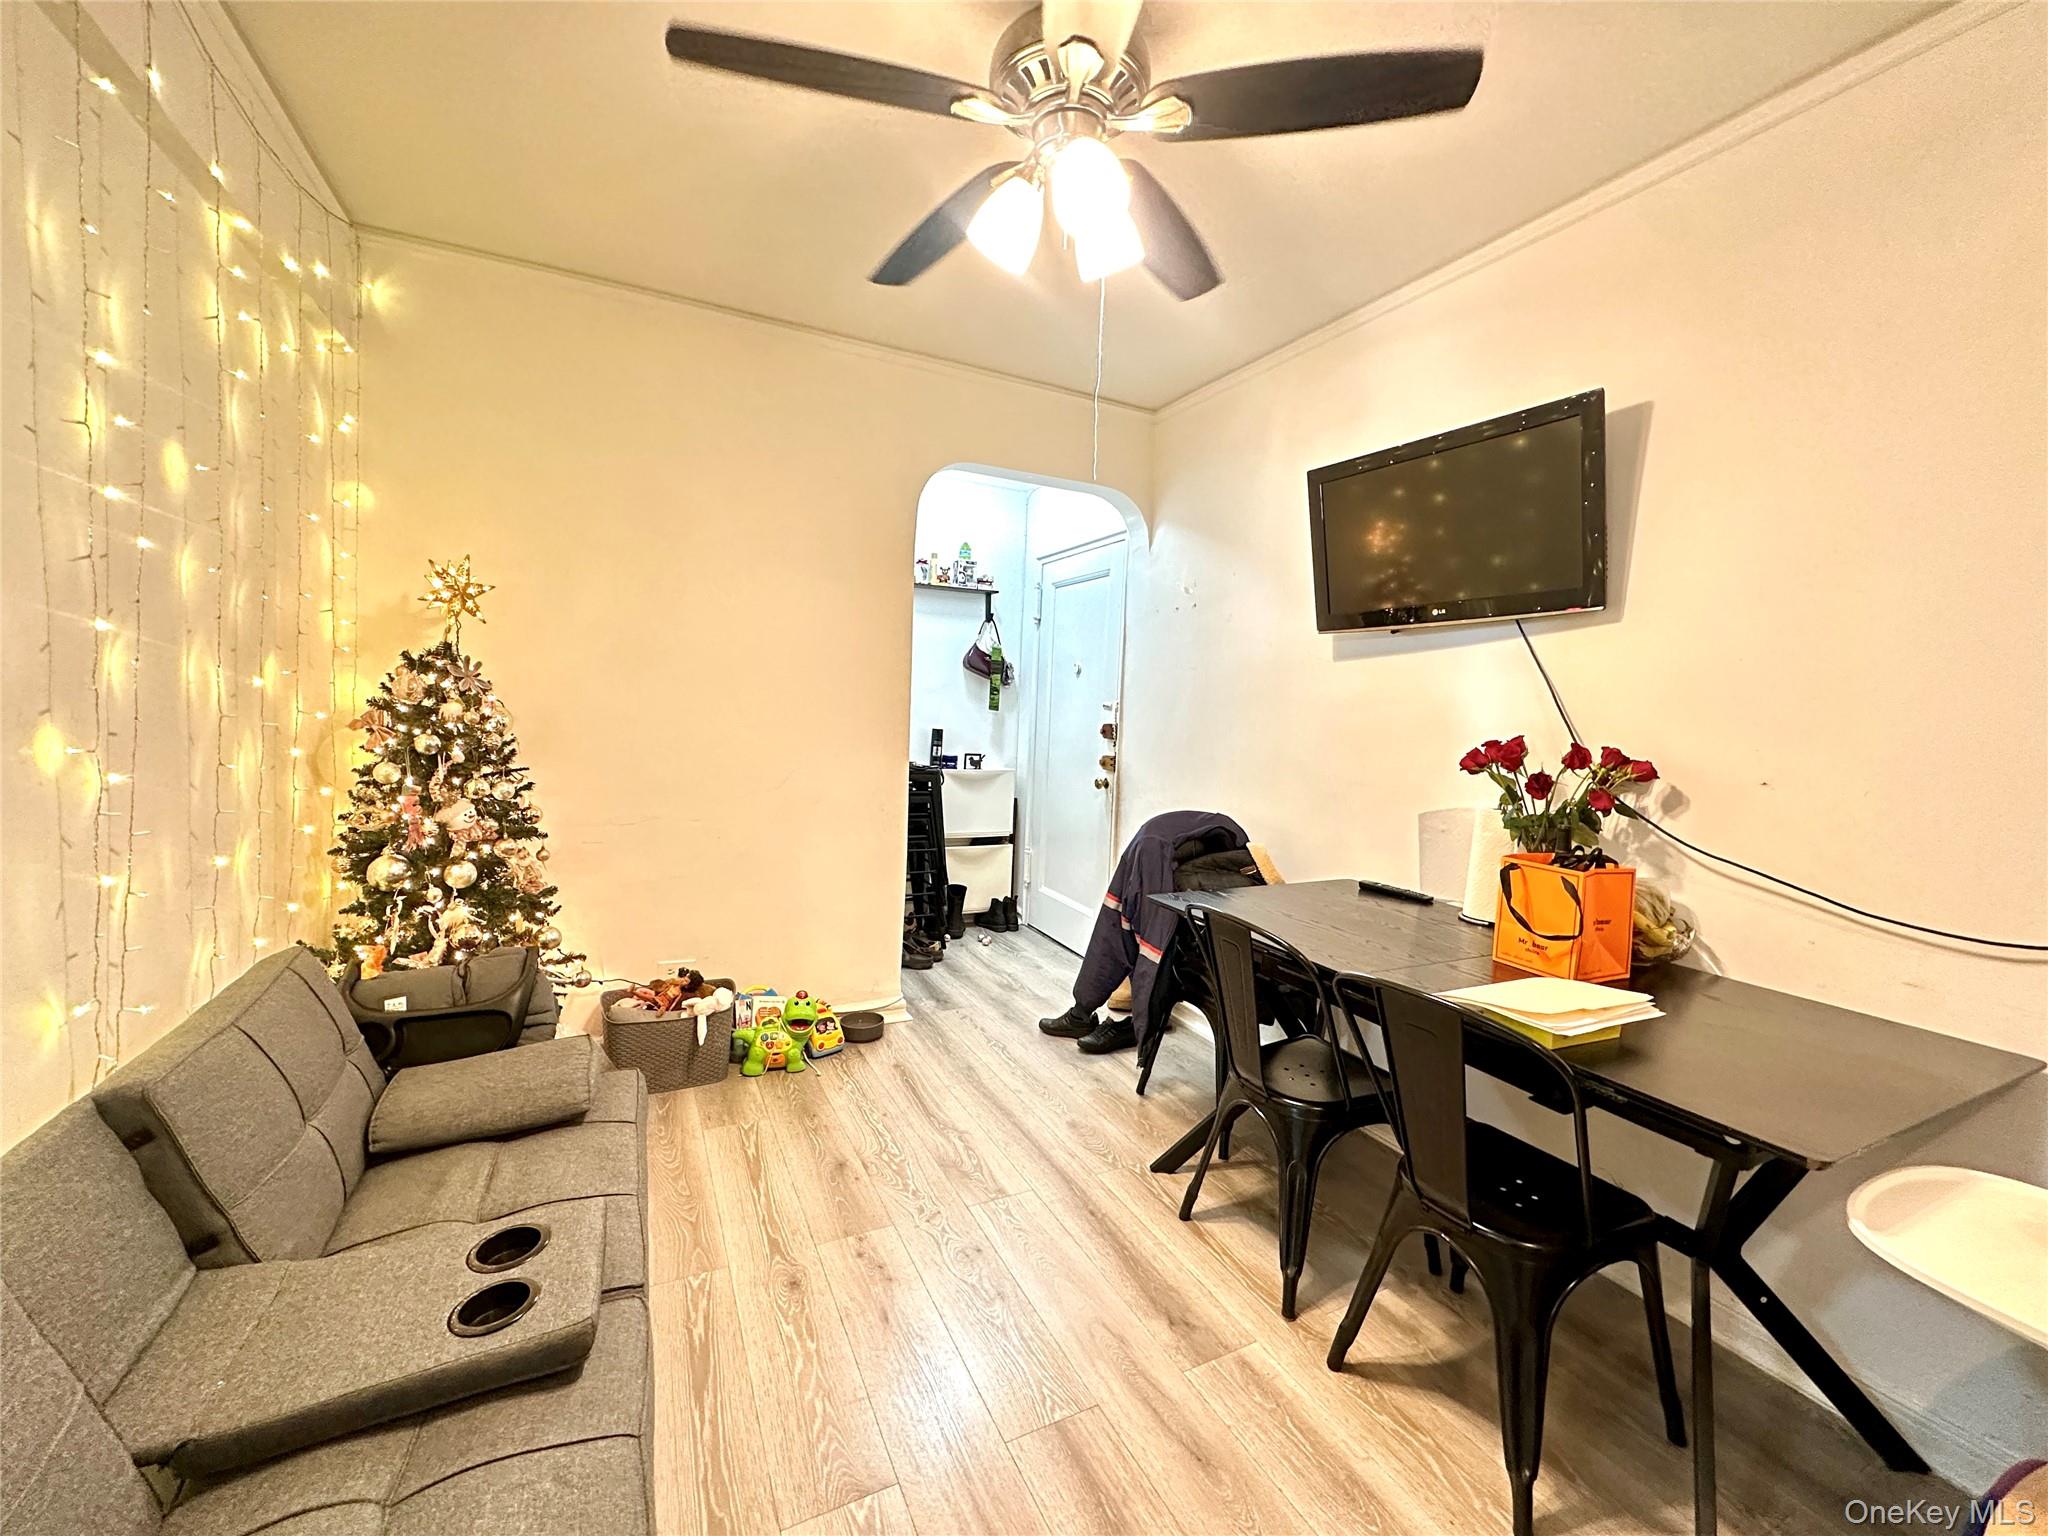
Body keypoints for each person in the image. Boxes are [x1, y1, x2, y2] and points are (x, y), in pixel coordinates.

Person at [1038, 810, 1255, 1055]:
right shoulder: (1161, 844)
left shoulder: (1153, 848)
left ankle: (1127, 1021)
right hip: (1172, 850)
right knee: (1123, 923)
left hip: (1167, 854)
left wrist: (1144, 1024)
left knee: (1138, 932)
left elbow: (1151, 947)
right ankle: (1092, 1013)